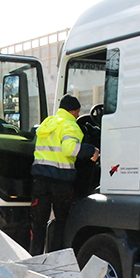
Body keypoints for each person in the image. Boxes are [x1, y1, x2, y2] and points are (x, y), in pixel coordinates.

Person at [29, 94, 98, 255]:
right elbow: (70, 149)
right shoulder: (70, 125)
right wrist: (91, 150)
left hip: (40, 180)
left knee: (38, 223)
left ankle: (34, 259)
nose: (79, 116)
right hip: (60, 182)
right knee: (61, 222)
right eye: (78, 112)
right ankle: (55, 259)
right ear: (73, 111)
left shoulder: (47, 123)